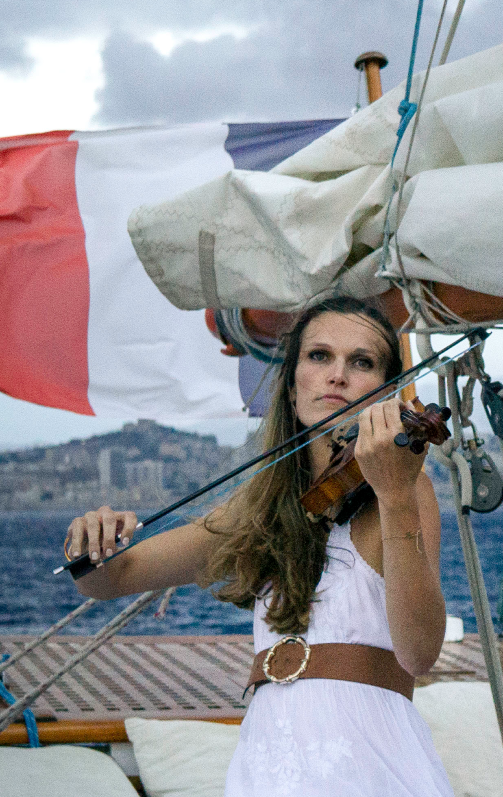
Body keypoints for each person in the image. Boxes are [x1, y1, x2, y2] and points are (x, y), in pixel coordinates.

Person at [61, 295, 451, 797]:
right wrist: (89, 542)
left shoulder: (405, 488)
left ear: (386, 392)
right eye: (319, 356)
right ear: (291, 390)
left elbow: (419, 653)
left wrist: (395, 493)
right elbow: (112, 579)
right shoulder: (263, 508)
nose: (337, 375)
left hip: (369, 764)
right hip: (267, 765)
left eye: (362, 362)